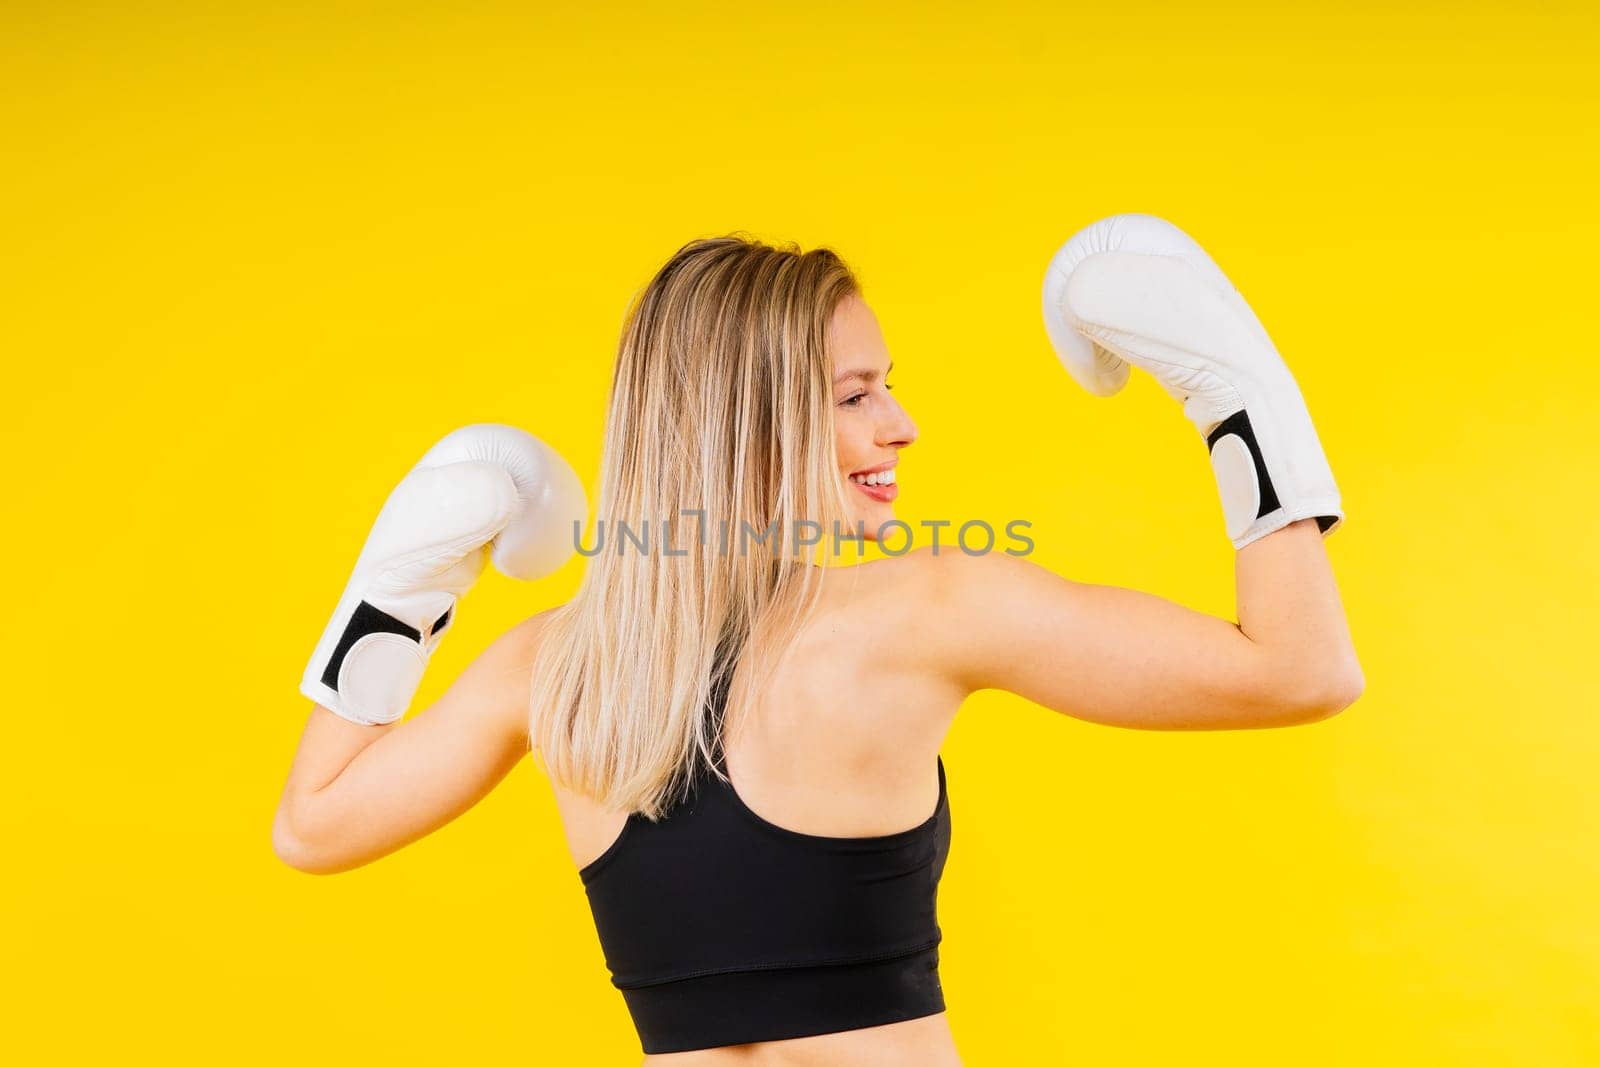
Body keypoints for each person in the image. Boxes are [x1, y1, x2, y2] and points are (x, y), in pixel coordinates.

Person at [273, 216, 1364, 1065]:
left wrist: (399, 593)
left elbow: (312, 827)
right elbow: (1300, 669)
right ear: (752, 419)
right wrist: (1237, 401)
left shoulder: (551, 670)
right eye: (856, 393)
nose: (901, 424)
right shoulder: (926, 610)